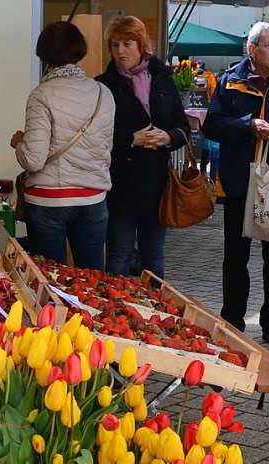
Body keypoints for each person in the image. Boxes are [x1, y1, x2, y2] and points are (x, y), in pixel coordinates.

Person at [202, 22, 269, 347]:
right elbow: (212, 125)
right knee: (235, 257)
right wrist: (248, 126)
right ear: (252, 49)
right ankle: (233, 321)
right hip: (239, 181)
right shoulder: (231, 80)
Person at [11, 21, 115, 269]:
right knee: (93, 280)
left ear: (44, 55)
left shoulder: (41, 95)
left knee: (51, 281)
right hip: (92, 198)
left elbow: (34, 160)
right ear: (78, 50)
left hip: (49, 200)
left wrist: (19, 143)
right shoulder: (103, 93)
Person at [96, 16, 188, 278]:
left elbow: (183, 127)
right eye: (114, 45)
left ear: (141, 46)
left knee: (154, 256)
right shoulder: (103, 85)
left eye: (127, 43)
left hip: (156, 183)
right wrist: (130, 139)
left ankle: (156, 314)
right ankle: (116, 312)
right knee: (119, 256)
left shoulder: (162, 80)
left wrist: (168, 137)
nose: (120, 51)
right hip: (119, 184)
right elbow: (96, 136)